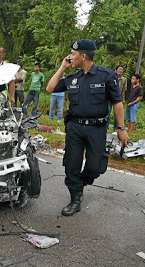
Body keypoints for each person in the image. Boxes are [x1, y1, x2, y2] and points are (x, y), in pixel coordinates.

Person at [46, 39, 129, 216]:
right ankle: (75, 198)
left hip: (97, 129)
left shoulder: (106, 76)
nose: (70, 56)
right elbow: (50, 88)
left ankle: (82, 181)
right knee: (71, 165)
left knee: (95, 166)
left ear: (83, 56)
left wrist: (121, 128)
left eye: (73, 54)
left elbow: (117, 103)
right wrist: (62, 68)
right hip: (74, 127)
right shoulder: (72, 77)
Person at [113, 65, 127, 130]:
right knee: (107, 111)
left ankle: (116, 127)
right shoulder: (112, 77)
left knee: (118, 112)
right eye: (119, 69)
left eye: (122, 69)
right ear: (116, 70)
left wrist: (123, 99)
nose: (121, 71)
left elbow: (124, 90)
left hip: (118, 96)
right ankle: (106, 126)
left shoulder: (124, 79)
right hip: (110, 95)